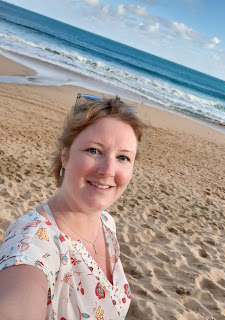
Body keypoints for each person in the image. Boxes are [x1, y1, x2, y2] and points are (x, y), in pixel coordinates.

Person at [0, 94, 146, 320]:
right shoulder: (32, 245)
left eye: (123, 158)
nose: (108, 170)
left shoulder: (106, 224)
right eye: (94, 150)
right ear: (65, 154)